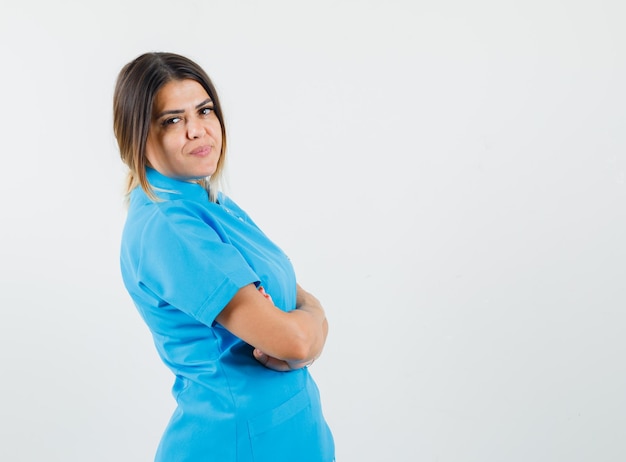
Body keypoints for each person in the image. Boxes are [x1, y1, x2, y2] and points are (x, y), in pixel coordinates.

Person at [113, 51, 335, 462]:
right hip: (236, 444)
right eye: (172, 120)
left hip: (281, 436)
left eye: (204, 111)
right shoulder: (171, 225)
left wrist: (308, 318)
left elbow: (297, 308)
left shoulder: (205, 199)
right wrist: (312, 323)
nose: (198, 131)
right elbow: (297, 341)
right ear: (138, 135)